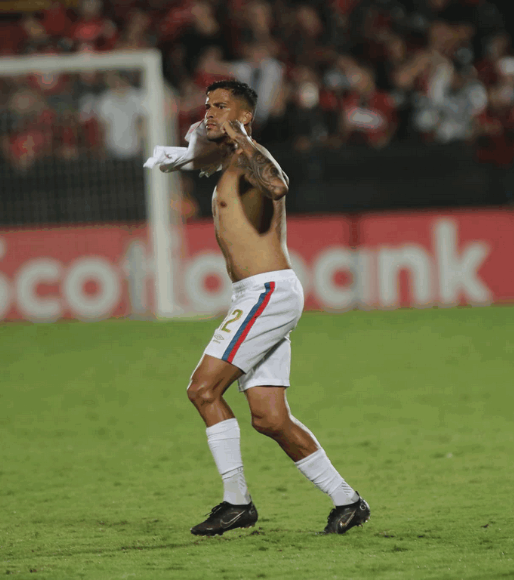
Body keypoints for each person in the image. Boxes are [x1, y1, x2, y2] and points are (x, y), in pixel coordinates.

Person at [151, 79, 370, 536]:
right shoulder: (229, 159)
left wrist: (239, 137)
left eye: (222, 106)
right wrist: (186, 154)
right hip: (258, 294)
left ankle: (237, 502)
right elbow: (203, 154)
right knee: (270, 417)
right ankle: (347, 500)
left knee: (203, 390)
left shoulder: (254, 156)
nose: (210, 112)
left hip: (266, 292)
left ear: (245, 115)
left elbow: (277, 185)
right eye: (208, 105)